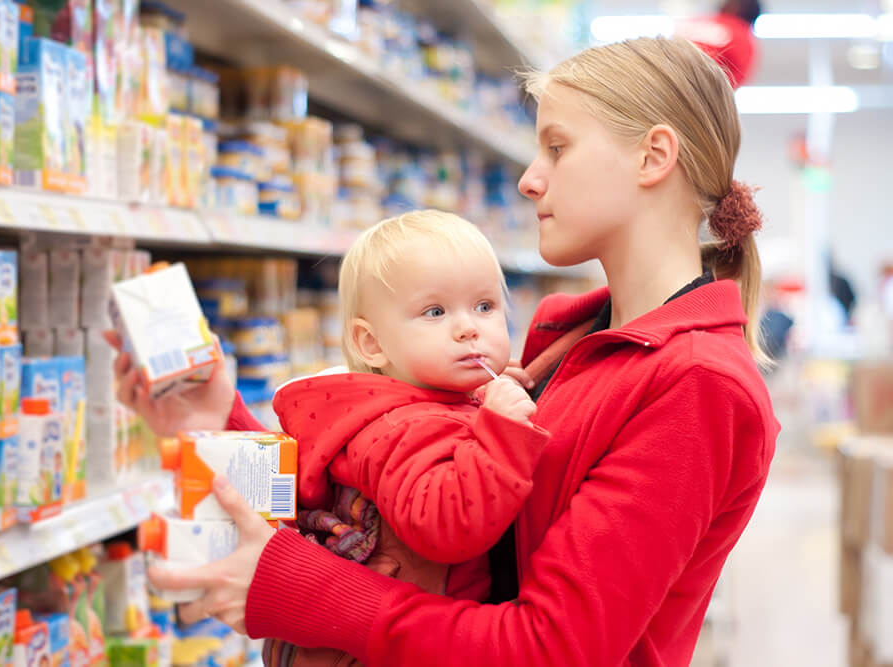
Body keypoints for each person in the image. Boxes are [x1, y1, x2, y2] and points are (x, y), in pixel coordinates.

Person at [114, 37, 779, 666]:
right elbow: (387, 504)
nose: (528, 179)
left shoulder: (697, 384)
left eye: (556, 147)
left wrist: (294, 587)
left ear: (653, 156)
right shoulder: (568, 341)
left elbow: (546, 649)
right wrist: (215, 424)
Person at [263, 210, 549, 666]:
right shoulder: (399, 427)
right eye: (435, 312)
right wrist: (500, 433)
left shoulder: (419, 405)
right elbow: (447, 525)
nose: (468, 327)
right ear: (372, 344)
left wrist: (475, 393)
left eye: (485, 306)